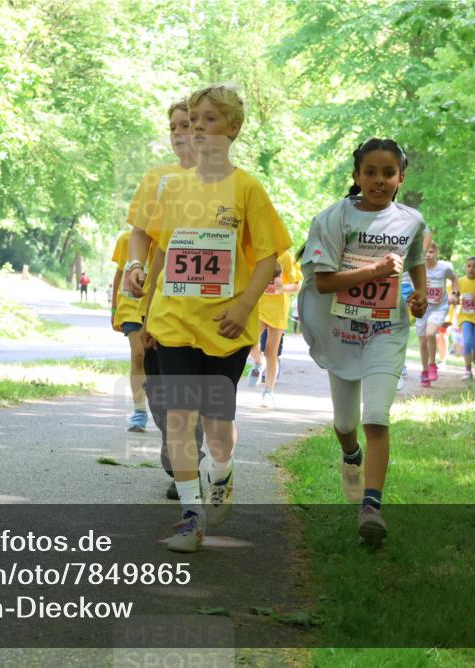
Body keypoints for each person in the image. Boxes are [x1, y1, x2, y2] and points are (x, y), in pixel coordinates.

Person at [142, 85, 291, 552]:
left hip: (227, 325)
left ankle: (221, 472)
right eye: (193, 119)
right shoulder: (175, 187)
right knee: (180, 417)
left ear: (233, 128)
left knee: (216, 425)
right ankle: (190, 516)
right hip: (175, 320)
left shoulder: (247, 187)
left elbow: (270, 257)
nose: (199, 128)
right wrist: (146, 310)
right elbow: (164, 251)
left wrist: (245, 305)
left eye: (209, 119)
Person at [297, 137, 427, 547]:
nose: (379, 180)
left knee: (377, 417)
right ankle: (350, 455)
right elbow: (323, 281)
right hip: (341, 332)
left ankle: (371, 507)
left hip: (386, 330)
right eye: (369, 172)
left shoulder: (411, 221)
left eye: (388, 173)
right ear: (355, 176)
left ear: (400, 177)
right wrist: (373, 271)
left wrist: (420, 294)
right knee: (346, 424)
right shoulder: (334, 219)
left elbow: (416, 260)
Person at [122, 98, 203, 500]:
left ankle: (190, 461)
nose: (179, 134)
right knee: (160, 389)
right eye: (173, 126)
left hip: (205, 309)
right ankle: (178, 453)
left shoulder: (230, 182)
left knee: (194, 389)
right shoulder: (157, 179)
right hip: (156, 301)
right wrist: (136, 266)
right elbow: (140, 234)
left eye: (187, 125)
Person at [248, 251, 300, 407]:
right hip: (259, 306)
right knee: (250, 341)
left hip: (278, 309)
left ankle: (268, 392)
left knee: (271, 352)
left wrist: (282, 287)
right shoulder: (256, 252)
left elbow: (297, 285)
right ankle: (257, 363)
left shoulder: (287, 257)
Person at [110, 230, 149, 432]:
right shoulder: (127, 239)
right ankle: (139, 412)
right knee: (138, 354)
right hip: (130, 306)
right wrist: (114, 309)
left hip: (157, 307)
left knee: (155, 361)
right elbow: (118, 274)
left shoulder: (169, 238)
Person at [415, 240, 458, 387]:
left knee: (430, 334)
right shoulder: (417, 268)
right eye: (425, 252)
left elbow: (454, 279)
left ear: (436, 253)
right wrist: (418, 286)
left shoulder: (444, 268)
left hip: (439, 307)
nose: (427, 255)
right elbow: (406, 285)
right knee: (422, 343)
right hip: (422, 307)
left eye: (431, 252)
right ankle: (425, 371)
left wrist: (454, 294)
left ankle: (433, 364)